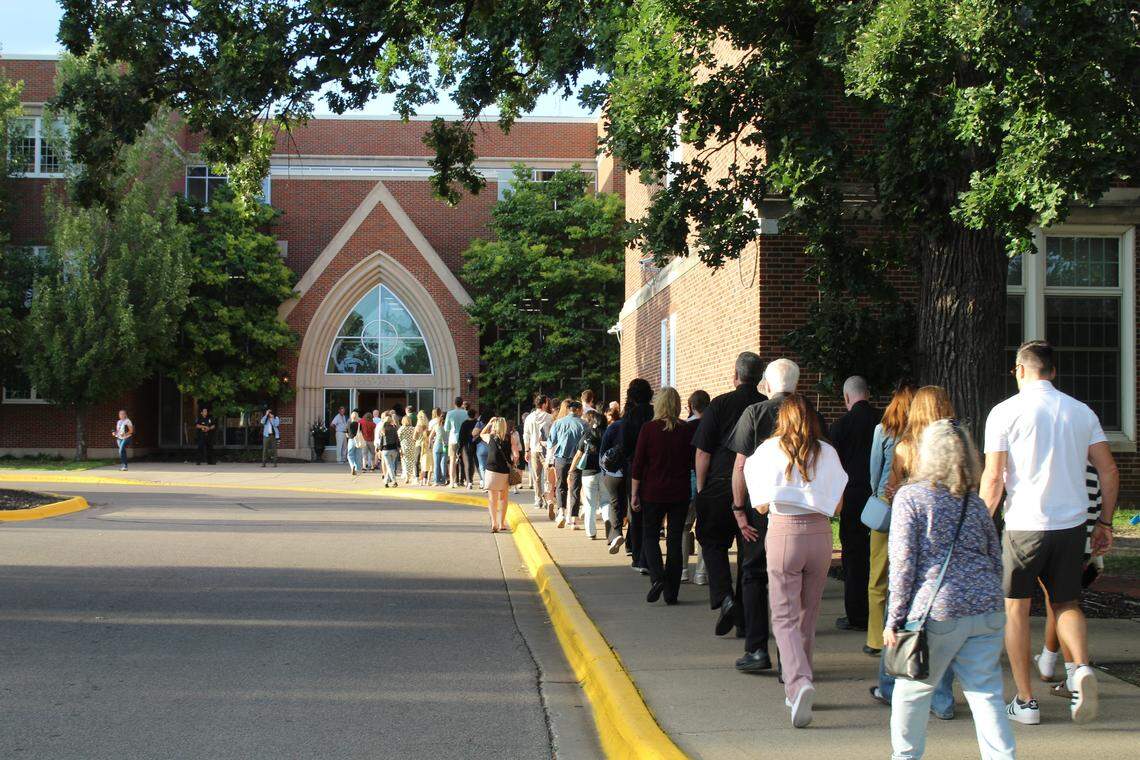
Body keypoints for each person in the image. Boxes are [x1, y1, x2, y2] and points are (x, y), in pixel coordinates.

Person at [981, 340, 1118, 725]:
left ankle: (1025, 702)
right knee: (1066, 603)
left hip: (1024, 525)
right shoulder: (1081, 412)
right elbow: (1108, 470)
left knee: (1016, 609)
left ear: (1019, 370)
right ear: (1053, 372)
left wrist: (978, 524)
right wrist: (1104, 522)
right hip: (1071, 525)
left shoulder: (1004, 413)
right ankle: (1081, 669)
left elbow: (993, 478)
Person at [886, 420, 1015, 759]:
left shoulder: (910, 498)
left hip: (938, 611)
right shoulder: (972, 503)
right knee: (986, 693)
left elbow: (902, 565)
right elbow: (994, 555)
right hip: (986, 607)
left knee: (912, 691)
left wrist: (895, 619)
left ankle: (905, 756)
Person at [743, 393, 847, 728]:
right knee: (808, 613)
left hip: (784, 531)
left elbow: (759, 505)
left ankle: (798, 682)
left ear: (781, 419)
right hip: (820, 534)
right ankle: (799, 682)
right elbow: (839, 506)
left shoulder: (766, 451)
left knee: (784, 617)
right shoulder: (827, 452)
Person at [871, 385, 958, 718]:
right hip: (948, 541)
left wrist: (903, 489)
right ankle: (942, 700)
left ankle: (890, 685)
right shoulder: (958, 446)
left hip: (912, 535)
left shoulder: (905, 447)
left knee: (902, 608)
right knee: (943, 620)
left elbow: (891, 492)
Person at [728, 358, 811, 672]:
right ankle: (793, 656)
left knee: (754, 574)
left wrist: (739, 509)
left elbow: (740, 466)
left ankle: (757, 647)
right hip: (802, 508)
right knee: (797, 583)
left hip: (761, 508)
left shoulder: (755, 413)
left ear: (767, 382)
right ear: (796, 383)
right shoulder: (809, 414)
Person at [693, 352, 766, 638]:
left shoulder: (719, 404)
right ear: (759, 378)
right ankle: (746, 620)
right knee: (750, 553)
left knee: (712, 543)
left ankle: (724, 597)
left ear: (735, 375)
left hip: (720, 482)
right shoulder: (765, 405)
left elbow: (702, 451)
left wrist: (701, 489)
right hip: (755, 487)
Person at [630, 387, 696, 605]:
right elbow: (691, 462)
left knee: (650, 536)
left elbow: (638, 465)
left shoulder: (649, 429)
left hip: (653, 491)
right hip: (679, 492)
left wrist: (634, 494)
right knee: (674, 541)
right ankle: (672, 592)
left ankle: (657, 577)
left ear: (658, 405)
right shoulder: (686, 430)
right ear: (677, 405)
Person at [865, 383, 915, 654]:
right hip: (914, 504)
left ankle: (875, 638)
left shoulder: (882, 430)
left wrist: (877, 495)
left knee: (878, 573)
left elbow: (874, 472)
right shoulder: (921, 434)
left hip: (886, 503)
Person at [830, 375, 882, 634]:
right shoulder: (884, 420)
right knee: (883, 554)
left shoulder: (840, 426)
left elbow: (833, 465)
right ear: (868, 394)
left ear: (847, 398)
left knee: (853, 555)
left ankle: (856, 614)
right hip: (882, 496)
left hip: (851, 495)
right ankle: (881, 610)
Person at [622, 379, 655, 573]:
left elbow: (625, 445)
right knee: (651, 514)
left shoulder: (630, 416)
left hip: (634, 467)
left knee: (635, 512)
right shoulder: (654, 413)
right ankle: (647, 555)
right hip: (654, 467)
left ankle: (637, 555)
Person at [682, 390, 711, 583]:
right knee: (705, 527)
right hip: (709, 478)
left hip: (687, 477)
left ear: (691, 406)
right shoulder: (712, 427)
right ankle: (701, 572)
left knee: (684, 527)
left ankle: (683, 569)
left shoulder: (684, 428)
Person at [570, 409, 608, 540]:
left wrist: (571, 470)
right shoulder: (608, 435)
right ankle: (608, 521)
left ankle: (591, 532)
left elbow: (578, 454)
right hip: (604, 473)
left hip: (588, 474)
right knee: (605, 501)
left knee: (590, 504)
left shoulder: (587, 435)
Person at [549, 401, 588, 528]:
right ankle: (574, 519)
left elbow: (551, 442)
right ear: (577, 410)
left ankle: (561, 513)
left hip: (560, 458)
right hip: (577, 459)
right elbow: (587, 443)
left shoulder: (558, 423)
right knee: (576, 488)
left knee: (561, 486)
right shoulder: (584, 424)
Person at [600, 404, 628, 553]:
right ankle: (632, 545)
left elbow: (603, 451)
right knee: (631, 505)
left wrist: (604, 471)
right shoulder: (643, 426)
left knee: (614, 503)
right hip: (633, 471)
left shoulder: (613, 427)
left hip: (613, 472)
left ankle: (616, 533)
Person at [481, 417, 513, 532]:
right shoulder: (509, 438)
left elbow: (481, 434)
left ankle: (494, 523)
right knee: (503, 498)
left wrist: (489, 423)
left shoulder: (490, 437)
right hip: (504, 471)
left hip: (491, 470)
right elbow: (515, 454)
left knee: (492, 499)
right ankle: (502, 523)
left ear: (494, 426)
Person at [523, 395, 554, 513]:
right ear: (545, 404)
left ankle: (538, 498)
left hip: (534, 449)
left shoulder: (529, 418)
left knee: (536, 476)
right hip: (547, 450)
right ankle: (548, 498)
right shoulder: (550, 418)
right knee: (548, 477)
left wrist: (526, 450)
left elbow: (526, 435)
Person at [444, 397, 468, 488]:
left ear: (454, 403)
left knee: (452, 460)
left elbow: (447, 428)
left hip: (453, 439)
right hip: (463, 439)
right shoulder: (466, 413)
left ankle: (452, 482)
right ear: (462, 404)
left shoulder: (450, 413)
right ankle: (468, 481)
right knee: (466, 460)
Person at [379, 411, 401, 486]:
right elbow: (397, 438)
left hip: (385, 449)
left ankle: (394, 481)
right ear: (391, 421)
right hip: (394, 449)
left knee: (389, 466)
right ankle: (386, 482)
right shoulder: (394, 428)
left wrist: (380, 449)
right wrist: (399, 447)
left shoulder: (383, 429)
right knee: (391, 466)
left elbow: (381, 440)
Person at [429, 407, 447, 485]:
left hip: (437, 445)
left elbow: (430, 437)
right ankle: (443, 480)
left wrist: (430, 444)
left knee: (436, 464)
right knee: (443, 464)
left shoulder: (436, 425)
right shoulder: (447, 426)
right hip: (445, 445)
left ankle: (436, 481)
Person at [414, 410, 432, 486]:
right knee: (425, 462)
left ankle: (417, 478)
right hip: (426, 445)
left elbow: (414, 437)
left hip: (418, 444)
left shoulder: (418, 427)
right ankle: (425, 478)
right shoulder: (428, 426)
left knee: (417, 461)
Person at [398, 415, 417, 485]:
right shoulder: (413, 428)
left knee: (405, 461)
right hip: (412, 446)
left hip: (404, 447)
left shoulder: (401, 429)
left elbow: (398, 438)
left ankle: (407, 476)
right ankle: (411, 475)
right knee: (411, 461)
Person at [346, 411, 363, 476]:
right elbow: (362, 432)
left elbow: (346, 433)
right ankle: (356, 468)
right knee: (358, 454)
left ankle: (352, 465)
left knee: (350, 455)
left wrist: (349, 436)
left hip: (351, 440)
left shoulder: (349, 423)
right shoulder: (359, 424)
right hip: (358, 440)